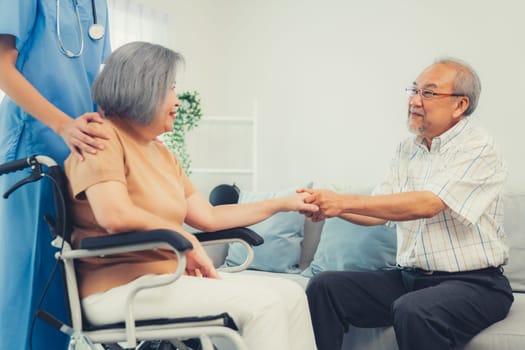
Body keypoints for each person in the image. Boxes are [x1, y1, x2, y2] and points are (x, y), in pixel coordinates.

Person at [64, 41, 318, 350]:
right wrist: (181, 237)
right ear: (143, 88)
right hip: (119, 289)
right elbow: (113, 215)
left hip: (165, 281)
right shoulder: (101, 139)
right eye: (170, 89)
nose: (177, 101)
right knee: (264, 305)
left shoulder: (160, 152)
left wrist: (282, 202)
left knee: (291, 295)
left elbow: (209, 217)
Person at [301, 58, 514, 350]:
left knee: (414, 310)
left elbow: (429, 203)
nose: (414, 100)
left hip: (476, 285)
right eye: (413, 90)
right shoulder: (407, 149)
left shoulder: (478, 146)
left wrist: (343, 201)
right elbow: (378, 210)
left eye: (428, 93)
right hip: (410, 279)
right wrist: (328, 206)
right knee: (324, 287)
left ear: (459, 105)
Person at [0, 1, 111, 349]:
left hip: (81, 151)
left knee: (67, 276)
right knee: (30, 275)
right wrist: (62, 125)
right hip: (36, 142)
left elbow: (97, 78)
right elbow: (3, 67)